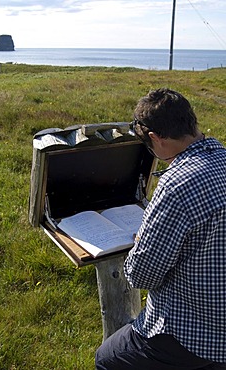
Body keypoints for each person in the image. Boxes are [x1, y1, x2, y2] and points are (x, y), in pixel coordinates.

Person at [95, 88, 226, 370]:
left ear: (155, 138)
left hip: (192, 336)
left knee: (106, 358)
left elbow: (142, 274)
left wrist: (142, 238)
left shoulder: (177, 183)